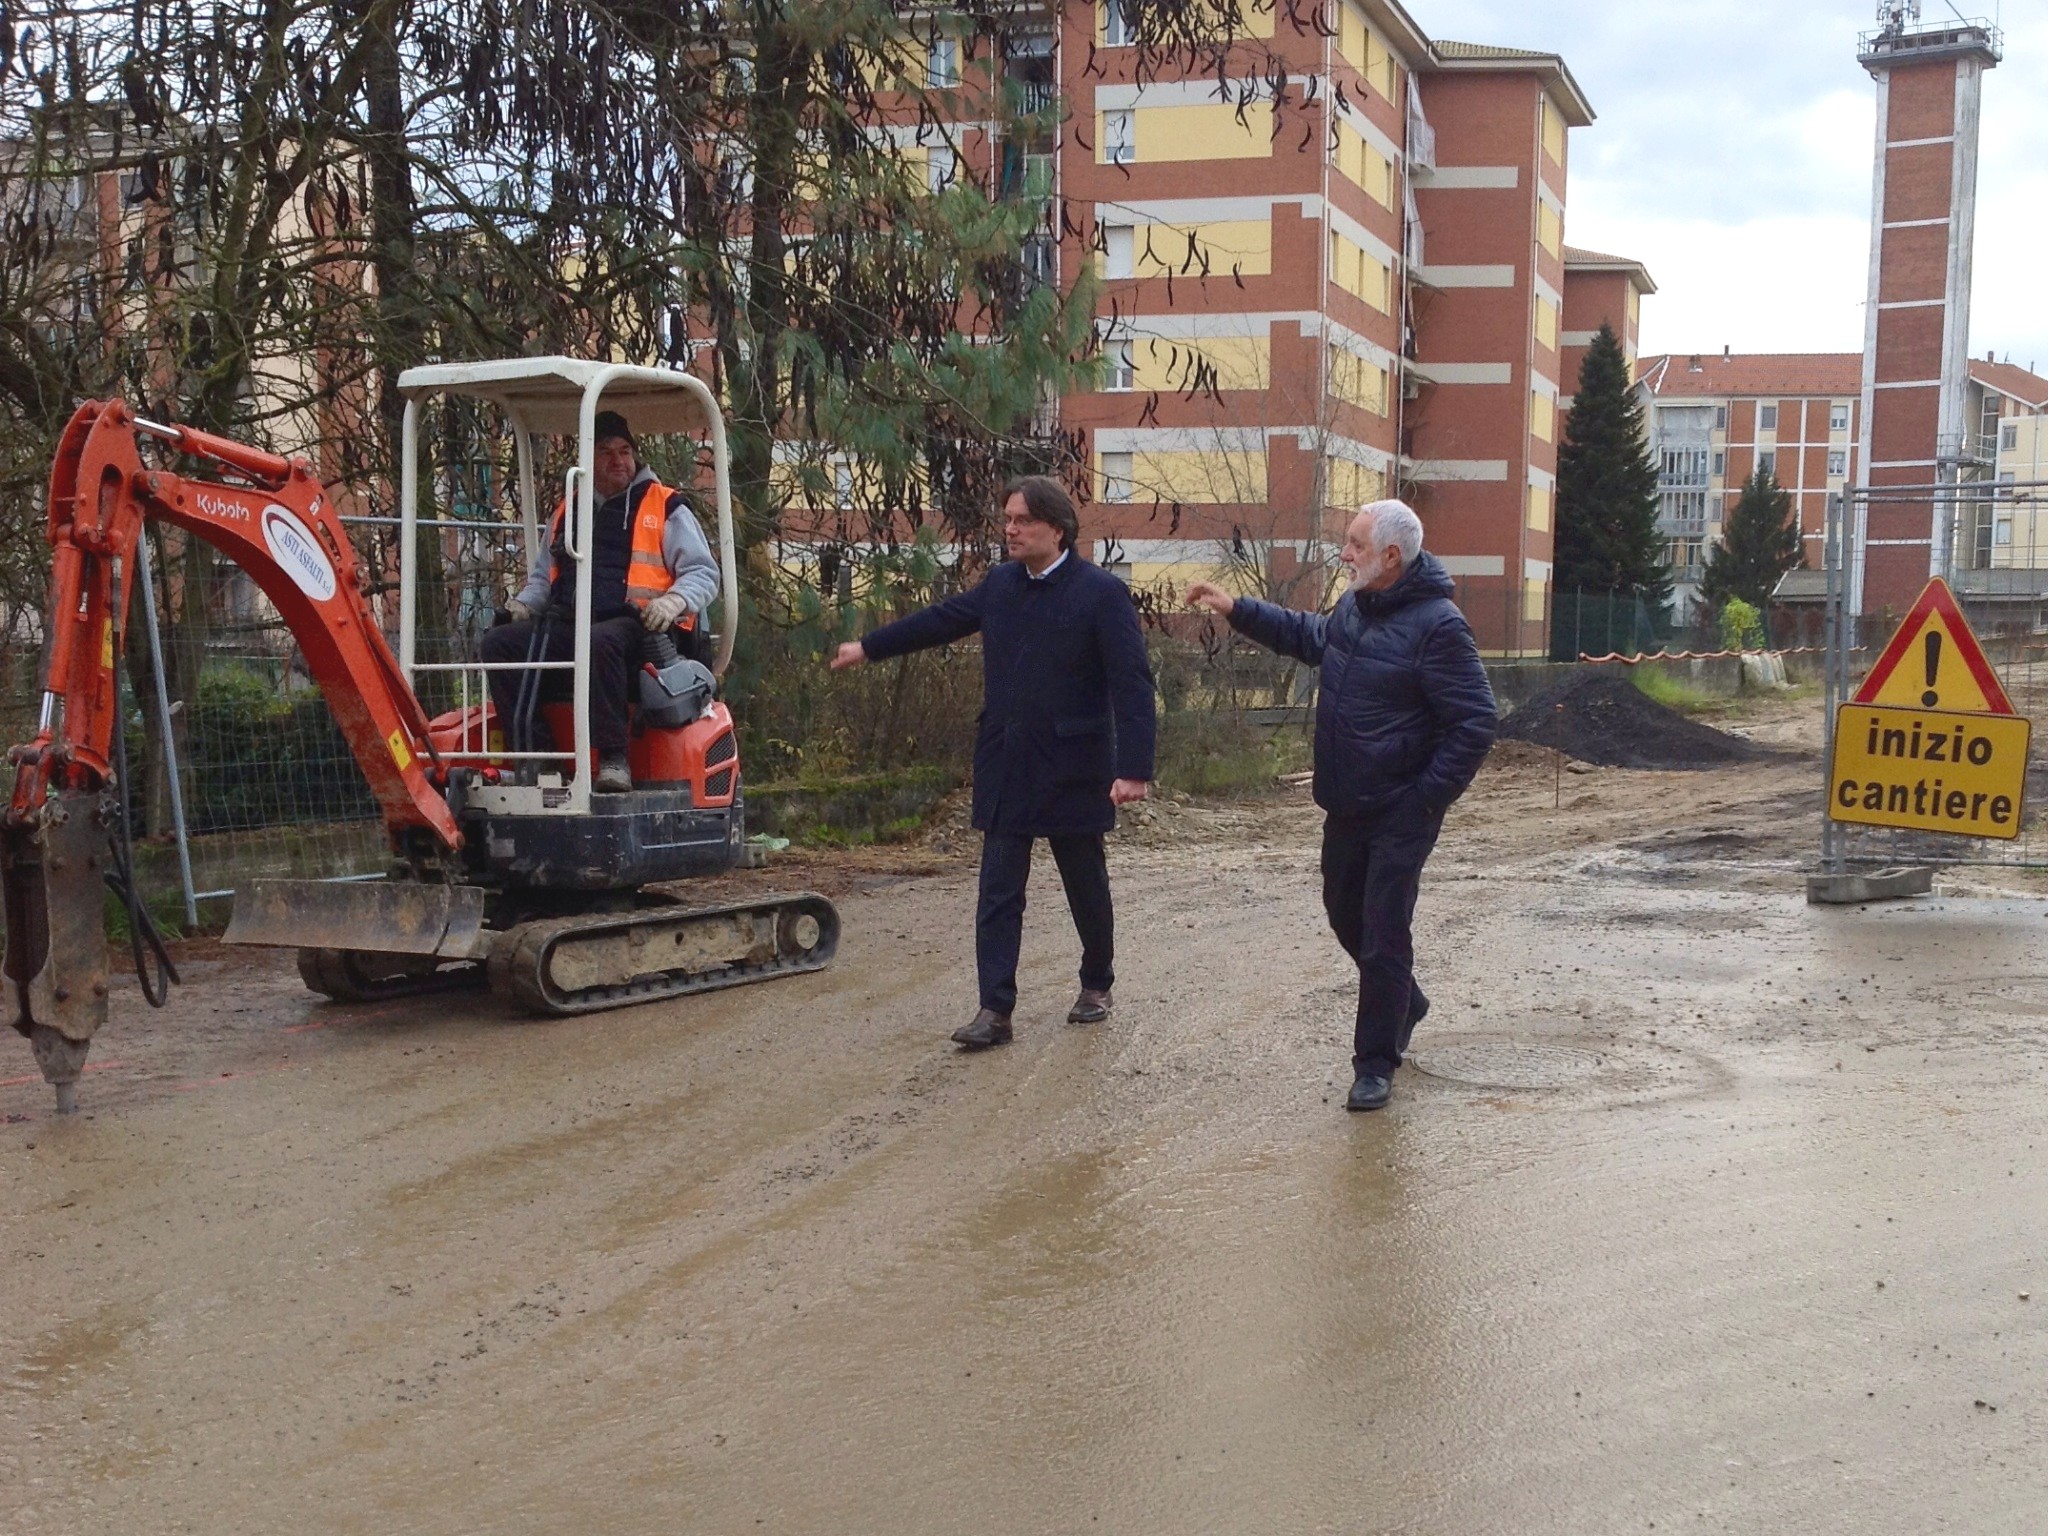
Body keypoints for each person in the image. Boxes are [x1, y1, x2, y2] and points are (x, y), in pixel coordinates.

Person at [1186, 499, 1495, 1111]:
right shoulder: (1356, 605)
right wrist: (1238, 609)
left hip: (1401, 811)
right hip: (1347, 805)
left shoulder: (1439, 625)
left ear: (1390, 556)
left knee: (1384, 933)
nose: (1344, 554)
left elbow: (1475, 723)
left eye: (1354, 544)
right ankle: (1405, 997)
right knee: (1342, 912)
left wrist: (1423, 801)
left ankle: (1375, 1062)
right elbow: (1311, 636)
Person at [831, 476, 1155, 1050]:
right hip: (1007, 761)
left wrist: (1133, 768)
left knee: (1085, 881)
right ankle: (994, 1009)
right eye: (1006, 518)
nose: (1009, 529)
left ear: (1057, 528)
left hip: (1075, 765)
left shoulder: (1100, 593)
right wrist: (870, 647)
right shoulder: (1001, 585)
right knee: (999, 889)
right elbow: (941, 620)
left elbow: (1132, 684)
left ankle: (1095, 983)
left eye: (1022, 520)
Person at [481, 410, 719, 792]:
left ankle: (613, 759)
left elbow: (704, 573)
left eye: (625, 451)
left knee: (599, 641)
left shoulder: (665, 505)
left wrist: (674, 602)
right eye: (607, 452)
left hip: (641, 629)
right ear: (588, 458)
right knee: (499, 644)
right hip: (571, 622)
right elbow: (545, 577)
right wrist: (522, 606)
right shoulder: (568, 511)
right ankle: (538, 758)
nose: (618, 461)